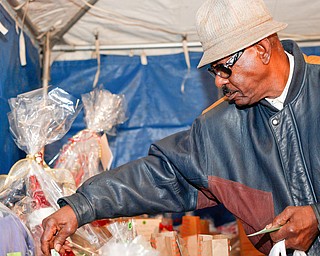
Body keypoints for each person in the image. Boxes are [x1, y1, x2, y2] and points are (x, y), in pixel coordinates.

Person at [41, 0, 320, 255]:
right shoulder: (219, 128)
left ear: (261, 49)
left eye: (224, 67)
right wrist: (81, 206)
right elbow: (159, 175)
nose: (218, 82)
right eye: (213, 71)